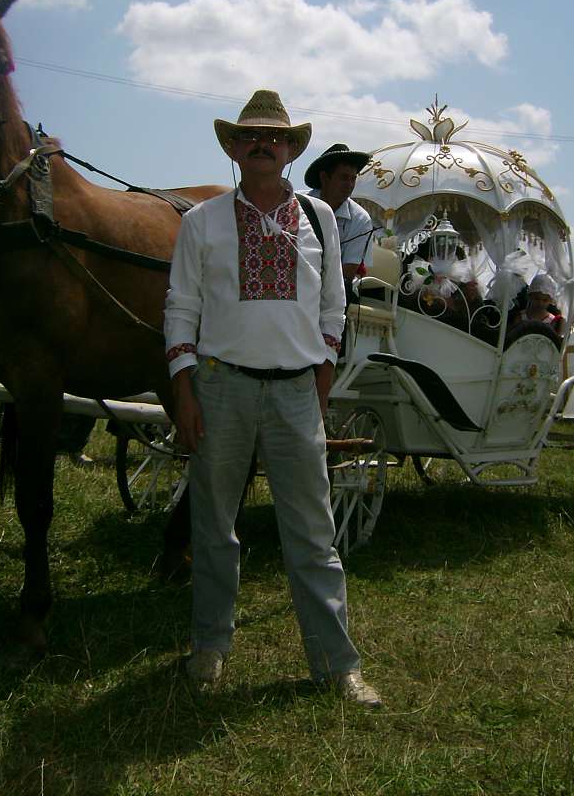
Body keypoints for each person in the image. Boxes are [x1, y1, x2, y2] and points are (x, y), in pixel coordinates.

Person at [164, 90, 381, 707]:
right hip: (221, 385)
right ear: (233, 147)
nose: (263, 144)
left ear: (290, 150)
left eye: (275, 138)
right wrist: (185, 390)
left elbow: (333, 306)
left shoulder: (319, 218)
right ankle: (209, 647)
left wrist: (322, 371)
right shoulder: (199, 222)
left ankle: (338, 666)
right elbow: (181, 307)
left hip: (293, 393)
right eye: (249, 136)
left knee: (313, 532)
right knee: (214, 527)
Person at [304, 143, 374, 298]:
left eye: (353, 179)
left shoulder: (361, 219)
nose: (349, 185)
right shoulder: (298, 204)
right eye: (343, 178)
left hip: (334, 289)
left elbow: (347, 272)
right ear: (324, 178)